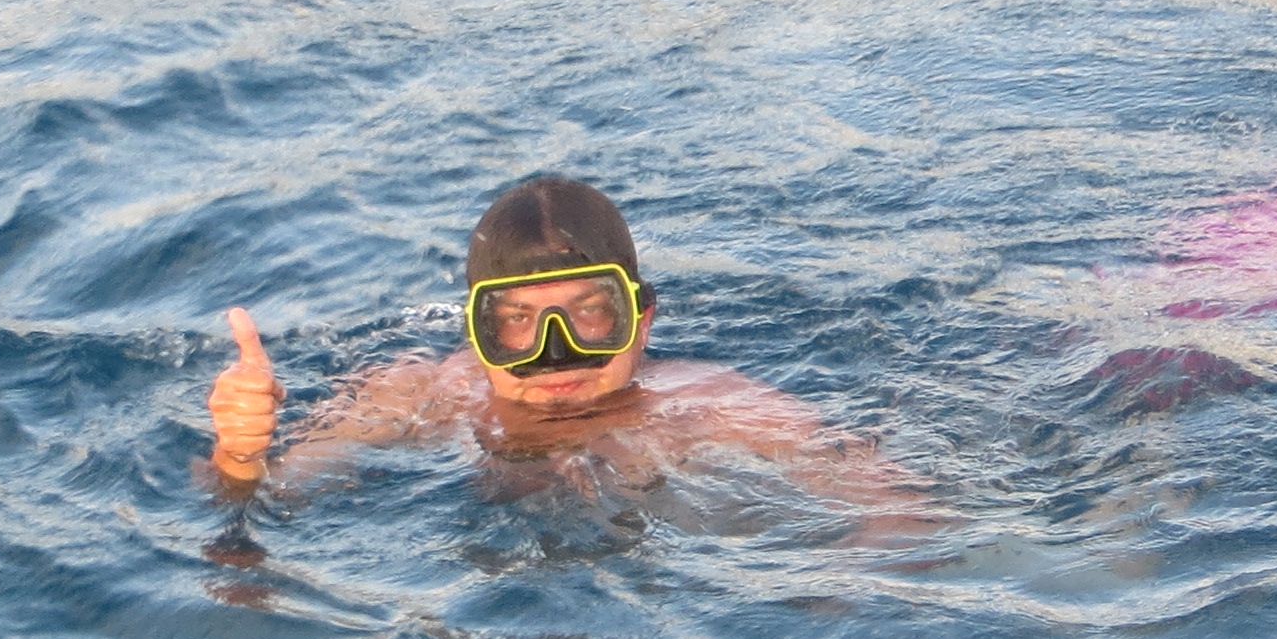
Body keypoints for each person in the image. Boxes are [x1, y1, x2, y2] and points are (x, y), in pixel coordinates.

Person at [200, 173, 919, 524]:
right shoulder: (414, 395)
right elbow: (264, 504)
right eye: (518, 322)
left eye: (587, 318)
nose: (556, 354)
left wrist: (834, 604)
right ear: (476, 335)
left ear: (642, 321)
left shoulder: (711, 407)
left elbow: (901, 509)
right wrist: (239, 455)